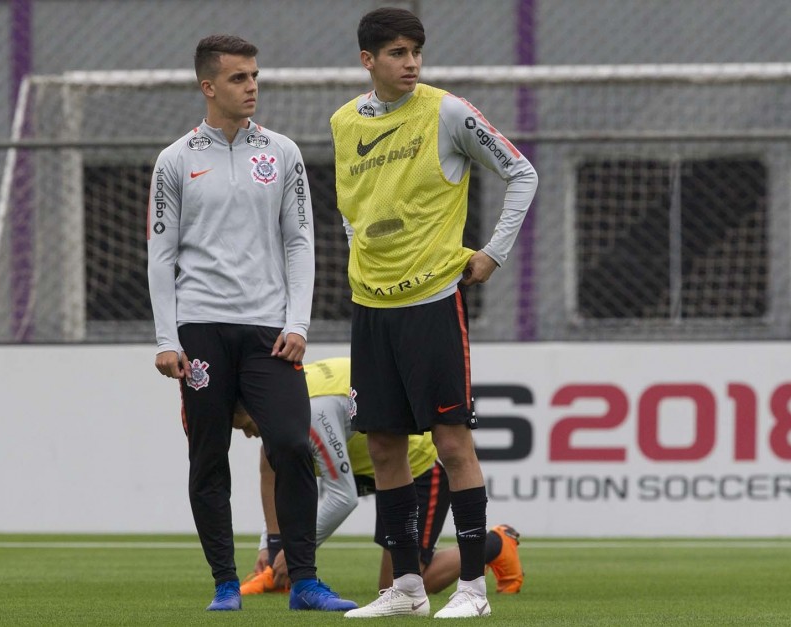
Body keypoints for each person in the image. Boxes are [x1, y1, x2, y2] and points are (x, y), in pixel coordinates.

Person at [329, 8, 538, 619]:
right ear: (368, 60)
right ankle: (408, 591)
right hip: (371, 306)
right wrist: (360, 255)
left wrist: (493, 254)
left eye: (416, 51)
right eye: (397, 52)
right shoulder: (344, 121)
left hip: (432, 303)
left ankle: (473, 588)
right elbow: (351, 208)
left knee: (452, 442)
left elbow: (520, 172)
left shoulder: (447, 110)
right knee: (388, 447)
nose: (411, 62)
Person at [146, 34, 355, 613]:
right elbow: (161, 255)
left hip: (269, 330)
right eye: (239, 79)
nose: (252, 87)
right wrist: (168, 339)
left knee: (291, 444)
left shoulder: (282, 153)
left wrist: (299, 323)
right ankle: (223, 583)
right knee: (207, 455)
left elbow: (301, 242)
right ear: (208, 86)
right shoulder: (176, 159)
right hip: (201, 329)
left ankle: (305, 581)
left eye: (255, 76)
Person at [230, 358, 524, 597]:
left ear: (260, 408)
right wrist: (272, 545)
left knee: (399, 585)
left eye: (246, 425)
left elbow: (342, 498)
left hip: (419, 463)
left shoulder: (310, 412)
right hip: (377, 463)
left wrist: (296, 552)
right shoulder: (281, 398)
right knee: (270, 458)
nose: (248, 433)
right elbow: (274, 474)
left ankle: (496, 543)